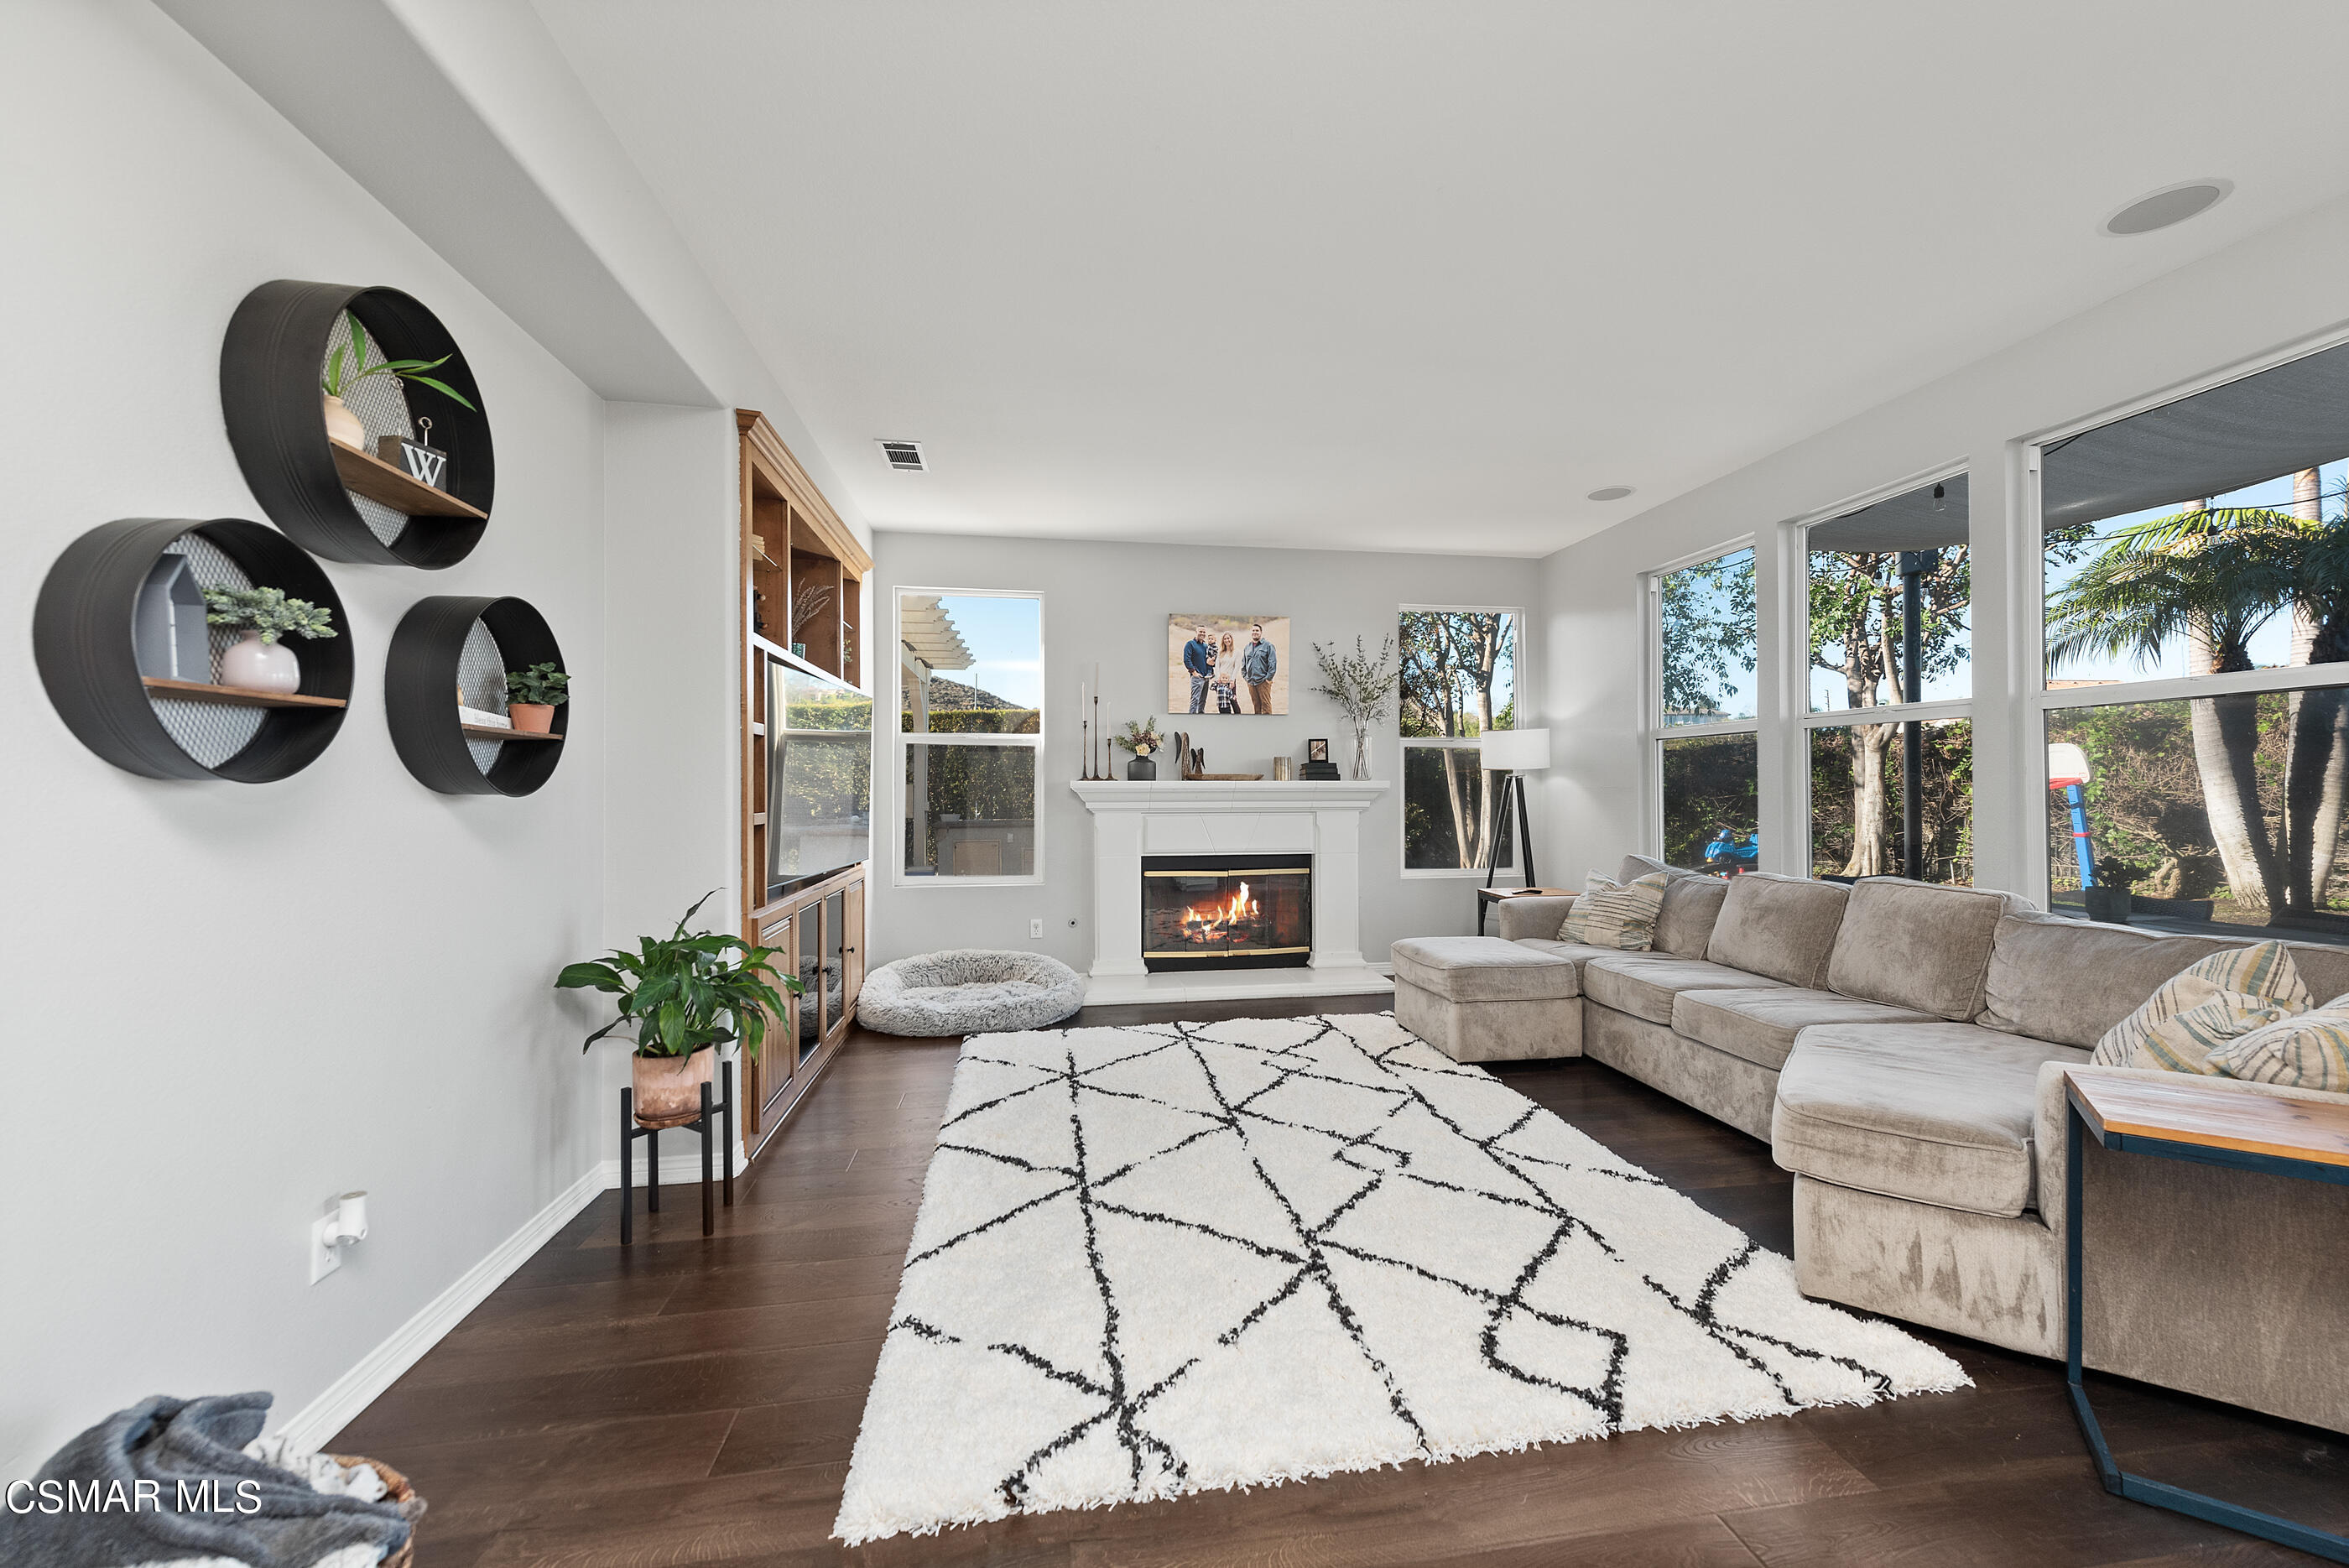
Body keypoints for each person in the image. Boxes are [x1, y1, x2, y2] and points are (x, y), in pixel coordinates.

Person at [1241, 622, 1277, 713]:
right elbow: (1243, 665)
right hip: (1251, 682)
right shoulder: (1247, 647)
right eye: (1253, 630)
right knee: (1256, 705)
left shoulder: (1268, 646)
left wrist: (1268, 678)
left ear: (1261, 632)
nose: (1255, 632)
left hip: (1263, 681)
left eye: (1257, 630)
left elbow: (1272, 664)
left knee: (1266, 705)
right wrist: (1246, 677)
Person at [1182, 623, 1214, 713]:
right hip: (1197, 677)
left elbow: (1209, 660)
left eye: (1204, 632)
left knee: (1203, 701)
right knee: (1195, 701)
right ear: (1196, 632)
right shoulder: (1190, 644)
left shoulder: (1206, 646)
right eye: (1200, 631)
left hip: (1206, 678)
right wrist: (1194, 672)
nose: (1202, 634)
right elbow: (1186, 659)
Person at [1213, 631, 1242, 712]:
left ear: (1231, 639)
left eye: (1228, 638)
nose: (1227, 640)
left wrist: (1232, 680)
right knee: (1222, 702)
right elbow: (1217, 666)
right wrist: (1218, 678)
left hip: (1230, 681)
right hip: (1220, 681)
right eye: (1225, 639)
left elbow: (1236, 667)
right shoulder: (1220, 652)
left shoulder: (1237, 652)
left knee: (1233, 701)